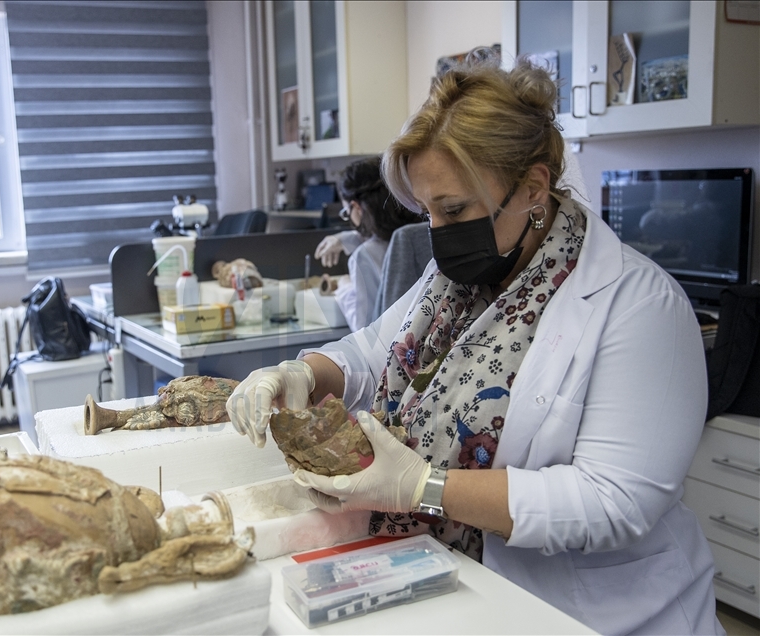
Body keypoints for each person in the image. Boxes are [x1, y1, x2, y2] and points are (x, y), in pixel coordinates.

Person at [227, 55, 721, 635]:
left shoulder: (640, 307)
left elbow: (611, 502)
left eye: (453, 209)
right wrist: (302, 374)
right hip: (456, 582)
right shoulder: (459, 282)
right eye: (427, 209)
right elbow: (370, 354)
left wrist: (423, 487)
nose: (437, 232)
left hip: (594, 614)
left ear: (533, 187)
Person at [312, 156, 424, 331]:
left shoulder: (364, 256)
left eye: (346, 212)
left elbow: (364, 331)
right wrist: (346, 239)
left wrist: (345, 288)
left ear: (356, 207)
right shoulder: (422, 234)